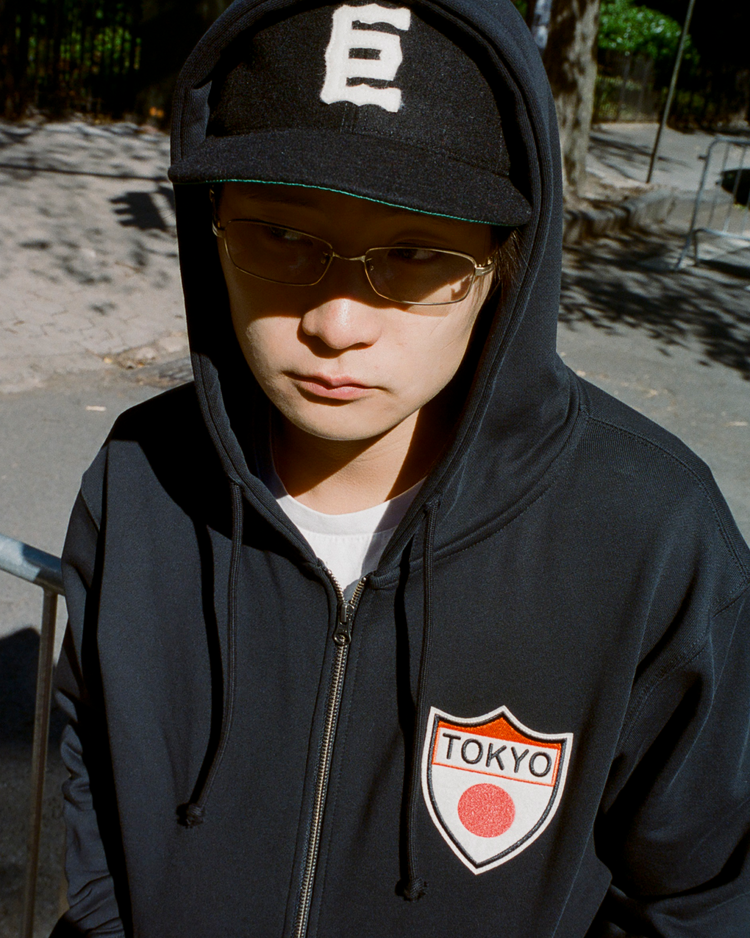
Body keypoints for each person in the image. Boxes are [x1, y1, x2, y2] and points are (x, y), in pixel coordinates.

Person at [53, 1, 750, 936]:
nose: (336, 322)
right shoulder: (140, 475)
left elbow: (703, 895)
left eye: (416, 254)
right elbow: (91, 769)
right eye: (281, 237)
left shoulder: (651, 535)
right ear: (209, 223)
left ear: (505, 262)